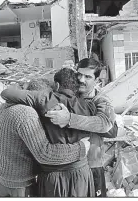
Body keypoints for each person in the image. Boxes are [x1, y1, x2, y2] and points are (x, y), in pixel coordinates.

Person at [1, 68, 117, 197]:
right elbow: (111, 129)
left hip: (54, 176)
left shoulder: (45, 99)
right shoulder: (89, 106)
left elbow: (6, 93)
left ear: (56, 85)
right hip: (82, 173)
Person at [45, 58, 116, 197]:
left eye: (88, 77)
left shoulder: (101, 100)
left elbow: (104, 123)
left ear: (96, 80)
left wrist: (69, 119)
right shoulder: (69, 95)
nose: (82, 80)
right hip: (68, 166)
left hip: (92, 166)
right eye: (79, 74)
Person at [0, 101, 90, 197]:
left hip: (2, 181)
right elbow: (45, 154)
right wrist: (80, 148)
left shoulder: (10, 107)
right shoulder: (26, 114)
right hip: (20, 187)